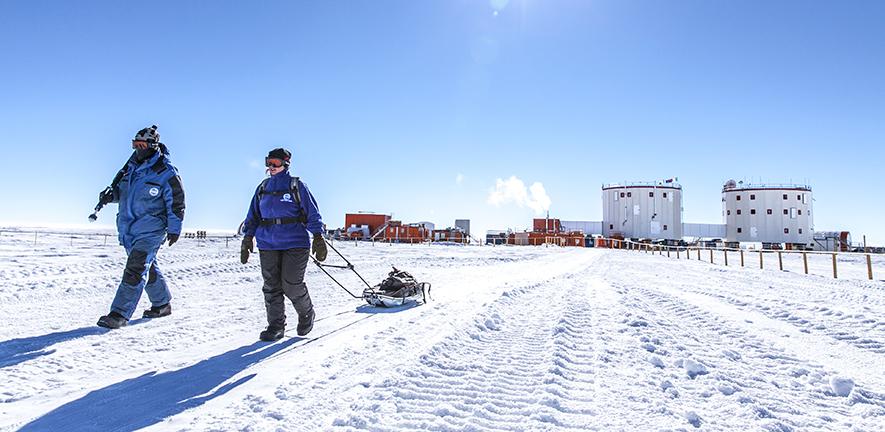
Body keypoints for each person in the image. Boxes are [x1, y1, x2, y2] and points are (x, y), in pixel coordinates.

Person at [96, 125, 185, 329]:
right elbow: (123, 193)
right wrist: (111, 196)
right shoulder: (130, 169)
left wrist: (174, 228)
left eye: (142, 145)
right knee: (147, 266)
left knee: (135, 269)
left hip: (151, 229)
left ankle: (119, 314)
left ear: (153, 146)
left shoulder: (165, 171)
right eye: (134, 144)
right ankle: (162, 304)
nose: (137, 149)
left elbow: (177, 201)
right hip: (129, 228)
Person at [240, 148, 327, 341]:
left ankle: (306, 313)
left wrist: (318, 237)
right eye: (268, 162)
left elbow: (312, 213)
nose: (271, 167)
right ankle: (276, 326)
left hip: (295, 242)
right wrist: (247, 238)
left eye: (275, 163)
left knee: (291, 284)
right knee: (271, 286)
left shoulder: (297, 186)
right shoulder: (263, 187)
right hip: (267, 243)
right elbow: (252, 215)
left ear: (285, 164)